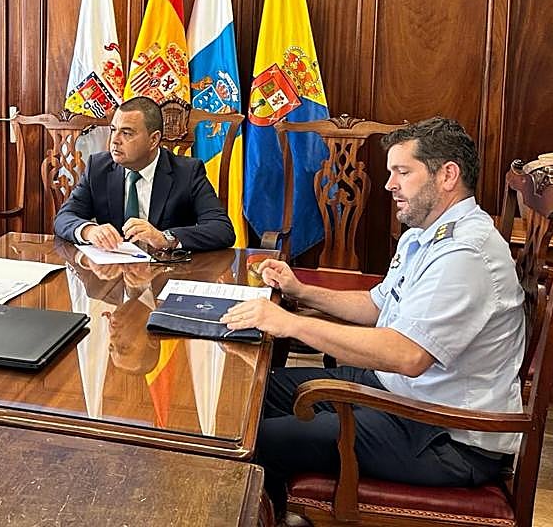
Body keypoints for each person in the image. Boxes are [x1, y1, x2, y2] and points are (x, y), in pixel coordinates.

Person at [221, 117, 523, 520]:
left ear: (448, 174)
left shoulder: (466, 252)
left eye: (402, 172)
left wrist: (290, 324)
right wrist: (299, 291)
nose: (389, 185)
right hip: (401, 396)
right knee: (253, 393)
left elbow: (407, 356)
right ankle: (275, 511)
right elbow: (378, 305)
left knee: (250, 437)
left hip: (444, 434)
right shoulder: (426, 231)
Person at [53, 96, 235, 252]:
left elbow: (222, 229)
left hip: (166, 275)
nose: (114, 141)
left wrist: (165, 238)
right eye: (113, 130)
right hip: (113, 279)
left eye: (127, 133)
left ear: (153, 139)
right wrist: (89, 231)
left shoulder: (187, 172)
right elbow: (64, 217)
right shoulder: (98, 168)